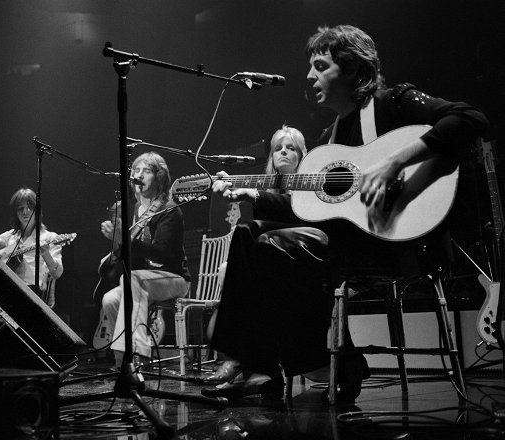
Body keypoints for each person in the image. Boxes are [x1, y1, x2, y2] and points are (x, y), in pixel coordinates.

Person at [203, 24, 489, 402]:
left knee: (276, 247)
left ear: (353, 68)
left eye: (321, 66)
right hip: (349, 245)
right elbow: (306, 211)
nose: (309, 76)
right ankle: (247, 360)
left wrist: (393, 162)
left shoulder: (395, 103)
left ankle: (290, 363)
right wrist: (250, 192)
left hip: (403, 244)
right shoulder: (328, 144)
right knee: (249, 232)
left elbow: (472, 119)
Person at [204, 125, 308, 386]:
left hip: (303, 258)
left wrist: (253, 195)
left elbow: (297, 219)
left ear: (302, 155)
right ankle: (249, 362)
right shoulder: (267, 191)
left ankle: (241, 357)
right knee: (233, 264)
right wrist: (240, 189)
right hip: (276, 258)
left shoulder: (310, 185)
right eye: (277, 148)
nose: (283, 151)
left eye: (291, 148)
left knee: (250, 267)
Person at [97, 152, 191, 367]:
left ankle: (138, 354)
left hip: (174, 278)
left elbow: (161, 254)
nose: (139, 175)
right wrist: (116, 241)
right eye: (136, 171)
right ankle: (122, 361)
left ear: (158, 177)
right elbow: (132, 253)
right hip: (142, 279)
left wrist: (125, 239)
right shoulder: (133, 211)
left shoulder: (169, 209)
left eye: (146, 171)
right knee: (110, 299)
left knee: (134, 279)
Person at [0, 188, 64, 308]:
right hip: (7, 291)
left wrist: (46, 254)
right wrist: (0, 254)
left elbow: (58, 273)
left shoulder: (50, 237)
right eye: (21, 208)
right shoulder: (10, 236)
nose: (25, 212)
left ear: (37, 210)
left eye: (30, 207)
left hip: (34, 296)